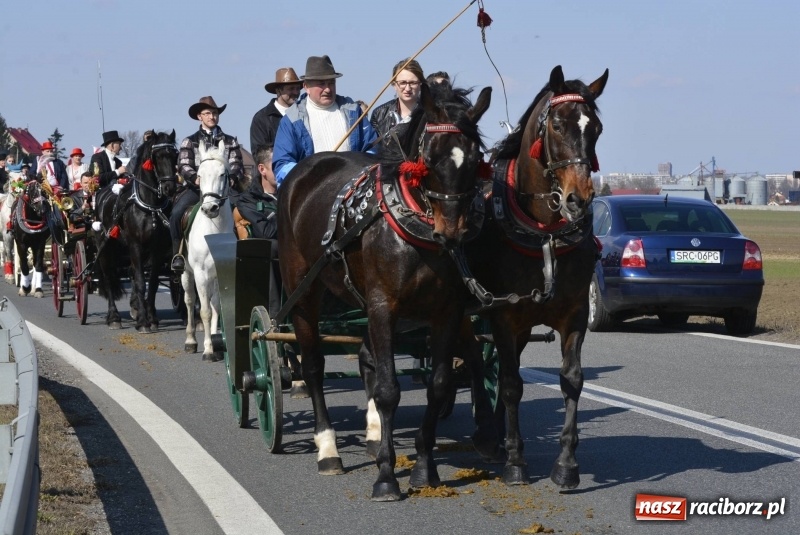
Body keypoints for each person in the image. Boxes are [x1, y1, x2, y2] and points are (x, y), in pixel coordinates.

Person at [272, 55, 378, 186]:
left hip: (353, 191)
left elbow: (373, 151)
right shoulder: (291, 120)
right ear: (306, 86)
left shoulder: (354, 112)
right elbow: (282, 165)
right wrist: (311, 174)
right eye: (321, 84)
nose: (328, 89)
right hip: (313, 193)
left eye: (331, 83)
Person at [170, 96, 244, 272]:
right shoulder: (189, 141)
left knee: (245, 212)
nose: (212, 116)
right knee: (176, 214)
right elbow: (184, 164)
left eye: (215, 113)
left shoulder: (230, 141)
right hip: (197, 189)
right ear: (199, 117)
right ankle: (178, 255)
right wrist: (195, 178)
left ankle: (243, 253)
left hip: (224, 189)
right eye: (208, 113)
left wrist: (232, 178)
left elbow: (237, 164)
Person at [231, 146, 280, 316]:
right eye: (277, 165)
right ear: (262, 169)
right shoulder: (247, 200)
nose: (283, 169)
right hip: (267, 253)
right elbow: (265, 231)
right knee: (269, 247)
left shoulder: (292, 191)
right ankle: (275, 314)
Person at [370, 58, 425, 152]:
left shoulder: (429, 114)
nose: (407, 88)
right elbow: (372, 151)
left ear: (420, 84)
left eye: (413, 83)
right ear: (394, 84)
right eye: (403, 83)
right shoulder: (379, 114)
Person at [250, 67, 302, 157]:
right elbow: (260, 155)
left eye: (298, 89)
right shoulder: (262, 119)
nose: (296, 92)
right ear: (278, 90)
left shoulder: (303, 114)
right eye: (291, 88)